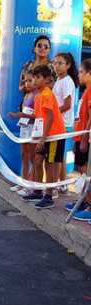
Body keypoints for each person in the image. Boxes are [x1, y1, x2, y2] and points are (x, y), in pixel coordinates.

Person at [22, 65, 66, 209]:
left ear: (46, 79)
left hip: (54, 135)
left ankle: (49, 196)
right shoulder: (38, 95)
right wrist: (21, 115)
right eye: (33, 77)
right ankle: (38, 190)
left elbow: (51, 117)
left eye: (38, 78)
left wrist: (43, 138)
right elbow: (37, 116)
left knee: (51, 165)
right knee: (38, 160)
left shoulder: (47, 94)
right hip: (44, 135)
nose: (34, 80)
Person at [66, 59, 91, 220]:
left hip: (85, 138)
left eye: (82, 72)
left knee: (86, 172)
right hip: (80, 135)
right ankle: (83, 200)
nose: (79, 75)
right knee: (83, 172)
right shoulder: (86, 90)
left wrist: (84, 138)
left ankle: (88, 204)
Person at [8, 71, 37, 196]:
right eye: (26, 81)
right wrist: (17, 115)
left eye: (30, 81)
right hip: (23, 127)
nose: (28, 83)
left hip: (32, 128)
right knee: (24, 156)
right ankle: (23, 182)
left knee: (32, 157)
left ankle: (30, 183)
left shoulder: (37, 96)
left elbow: (37, 115)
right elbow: (23, 112)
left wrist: (22, 115)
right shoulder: (26, 95)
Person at [53, 52, 78, 197]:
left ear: (68, 65)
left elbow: (67, 105)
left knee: (56, 156)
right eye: (55, 63)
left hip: (62, 124)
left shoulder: (67, 81)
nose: (57, 66)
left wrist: (52, 113)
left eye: (60, 63)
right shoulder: (59, 80)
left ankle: (54, 187)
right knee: (59, 155)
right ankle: (62, 184)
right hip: (58, 122)